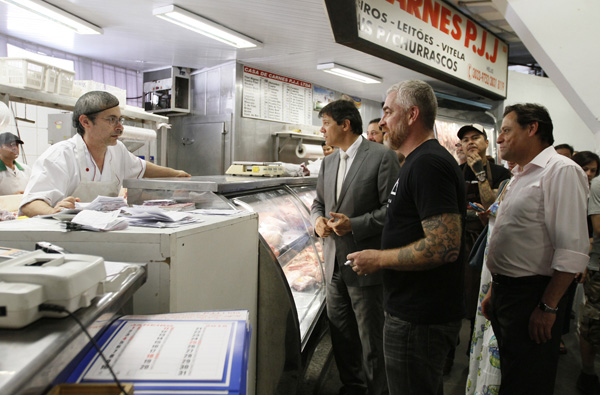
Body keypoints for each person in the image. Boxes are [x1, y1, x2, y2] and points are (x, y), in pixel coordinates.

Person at [348, 80, 466, 395]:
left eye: (388, 111)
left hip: (420, 318)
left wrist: (378, 258)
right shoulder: (417, 161)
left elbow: (444, 247)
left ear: (412, 114)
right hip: (413, 312)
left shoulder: (428, 163)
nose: (382, 122)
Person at [482, 103, 589, 394]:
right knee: (514, 374)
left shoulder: (561, 171)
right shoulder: (521, 175)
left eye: (506, 130)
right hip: (508, 293)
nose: (499, 138)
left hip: (534, 295)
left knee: (529, 380)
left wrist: (548, 306)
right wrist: (495, 288)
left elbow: (571, 249)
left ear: (532, 129)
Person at [311, 99, 399, 395]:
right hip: (333, 262)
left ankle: (378, 390)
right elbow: (318, 203)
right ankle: (353, 386)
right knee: (342, 335)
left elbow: (392, 211)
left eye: (326, 123)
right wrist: (317, 222)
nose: (322, 130)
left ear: (345, 124)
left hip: (364, 263)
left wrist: (355, 224)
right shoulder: (328, 161)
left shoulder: (381, 156)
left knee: (371, 337)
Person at [20, 91, 190, 217]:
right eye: (111, 120)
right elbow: (30, 204)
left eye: (119, 120)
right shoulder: (60, 156)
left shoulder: (117, 150)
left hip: (105, 231)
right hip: (67, 238)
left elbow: (143, 168)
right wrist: (52, 212)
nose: (120, 127)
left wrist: (177, 174)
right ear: (85, 121)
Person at [458, 124, 512, 362]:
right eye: (465, 140)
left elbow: (493, 208)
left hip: (485, 244)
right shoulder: (456, 171)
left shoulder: (501, 174)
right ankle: (449, 353)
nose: (470, 142)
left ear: (486, 142)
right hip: (459, 242)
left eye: (475, 138)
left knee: (478, 301)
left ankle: (475, 352)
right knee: (456, 298)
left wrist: (480, 173)